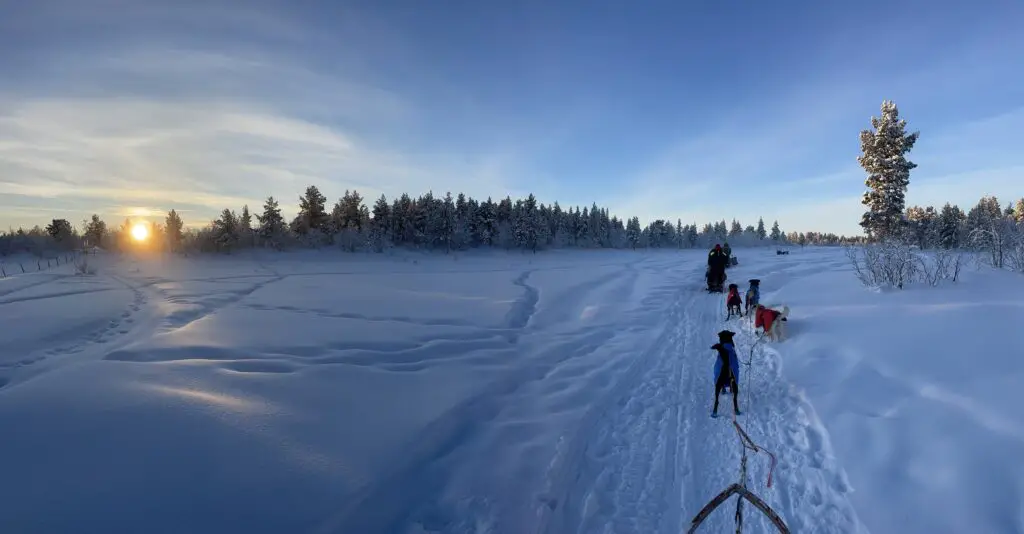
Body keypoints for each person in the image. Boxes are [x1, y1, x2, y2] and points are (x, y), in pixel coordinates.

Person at [711, 330, 741, 417]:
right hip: (731, 371)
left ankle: (715, 409)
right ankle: (736, 407)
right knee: (734, 372)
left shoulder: (722, 350)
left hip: (721, 372)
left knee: (718, 370)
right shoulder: (732, 351)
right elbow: (736, 368)